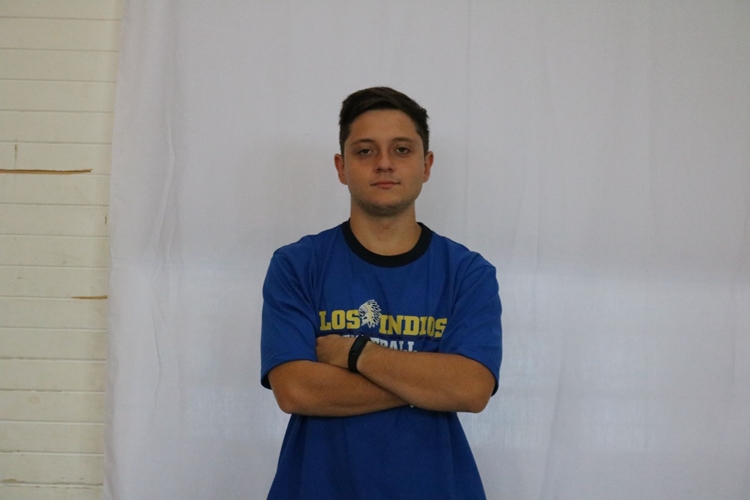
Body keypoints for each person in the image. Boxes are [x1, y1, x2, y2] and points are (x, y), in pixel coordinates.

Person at [260, 86, 502, 499]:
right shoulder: (298, 265)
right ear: (341, 167)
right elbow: (296, 390)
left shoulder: (467, 272)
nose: (384, 163)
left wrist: (356, 353)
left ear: (426, 165)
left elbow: (471, 389)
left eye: (402, 150)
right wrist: (428, 382)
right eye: (365, 151)